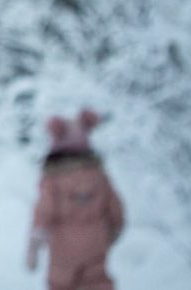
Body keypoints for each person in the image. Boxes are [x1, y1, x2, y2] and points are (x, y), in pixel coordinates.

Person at [26, 109, 124, 290]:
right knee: (96, 282)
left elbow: (44, 210)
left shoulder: (53, 178)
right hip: (96, 241)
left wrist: (34, 244)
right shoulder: (98, 175)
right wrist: (114, 231)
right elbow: (115, 207)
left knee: (60, 284)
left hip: (62, 246)